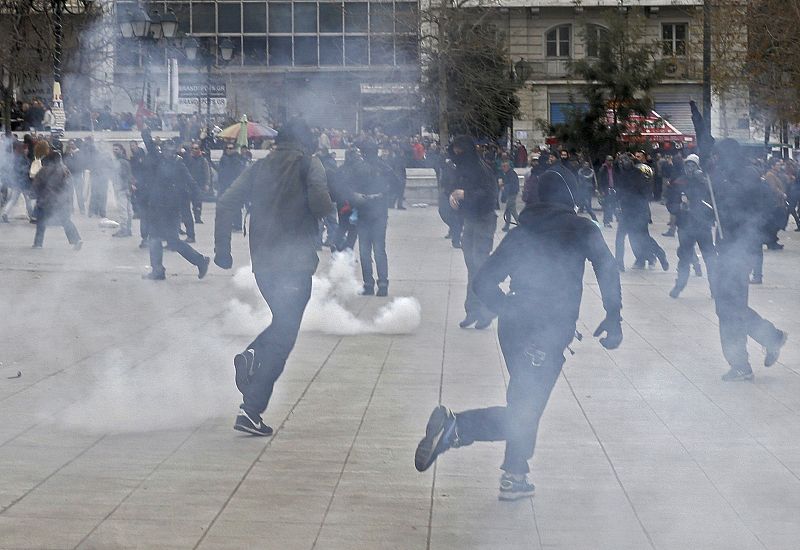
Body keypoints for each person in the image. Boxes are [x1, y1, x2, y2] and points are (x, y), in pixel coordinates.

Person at [414, 171, 623, 500]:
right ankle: (458, 429)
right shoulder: (582, 228)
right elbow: (607, 269)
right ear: (568, 195)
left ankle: (514, 475)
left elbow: (483, 281)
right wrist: (614, 314)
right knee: (525, 409)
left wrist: (507, 308)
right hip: (549, 331)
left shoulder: (520, 233)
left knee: (524, 402)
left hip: (513, 328)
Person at [214, 117, 333, 436]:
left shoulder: (259, 167)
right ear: (305, 141)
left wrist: (222, 249)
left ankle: (252, 367)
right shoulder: (310, 164)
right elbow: (321, 203)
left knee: (282, 325)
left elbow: (226, 202)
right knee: (285, 333)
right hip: (295, 262)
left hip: (264, 262)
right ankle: (251, 408)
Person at [709, 139, 788, 381]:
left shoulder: (746, 178)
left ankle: (742, 362)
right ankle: (768, 338)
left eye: (719, 156)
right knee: (729, 307)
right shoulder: (731, 176)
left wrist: (752, 236)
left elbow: (757, 210)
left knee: (728, 308)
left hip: (739, 250)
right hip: (730, 249)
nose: (716, 160)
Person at [140, 130, 209, 280]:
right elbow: (150, 147)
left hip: (171, 208)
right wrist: (145, 132)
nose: (167, 152)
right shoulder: (158, 160)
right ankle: (158, 269)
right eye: (165, 149)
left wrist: (198, 197)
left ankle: (200, 261)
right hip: (157, 206)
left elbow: (190, 182)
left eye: (170, 150)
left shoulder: (179, 164)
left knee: (172, 241)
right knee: (155, 238)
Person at [449, 135, 498, 330]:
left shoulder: (482, 168)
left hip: (484, 219)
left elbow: (489, 194)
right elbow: (455, 187)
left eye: (460, 151)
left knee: (480, 265)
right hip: (470, 219)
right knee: (472, 265)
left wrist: (465, 194)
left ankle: (488, 308)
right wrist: (453, 196)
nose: (457, 154)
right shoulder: (463, 168)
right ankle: (473, 310)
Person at [347, 139, 398, 296]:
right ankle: (380, 284)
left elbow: (347, 187)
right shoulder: (383, 167)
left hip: (369, 211)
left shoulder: (366, 167)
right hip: (374, 211)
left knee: (367, 250)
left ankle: (369, 284)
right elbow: (397, 183)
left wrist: (357, 196)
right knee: (376, 249)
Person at [667, 154, 716, 298]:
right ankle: (679, 285)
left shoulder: (704, 181)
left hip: (702, 225)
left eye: (693, 165)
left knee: (710, 257)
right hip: (685, 225)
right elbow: (671, 203)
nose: (690, 168)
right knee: (684, 257)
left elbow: (713, 200)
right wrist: (679, 207)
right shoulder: (679, 182)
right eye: (687, 165)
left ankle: (715, 288)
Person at [31, 151, 82, 249]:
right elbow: (70, 186)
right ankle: (76, 240)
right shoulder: (65, 170)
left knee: (41, 222)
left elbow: (36, 184)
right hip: (61, 201)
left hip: (46, 200)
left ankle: (38, 243)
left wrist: (34, 195)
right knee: (65, 221)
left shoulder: (44, 170)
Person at [111, 143, 134, 238]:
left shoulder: (122, 162)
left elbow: (125, 176)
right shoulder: (122, 161)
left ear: (121, 150)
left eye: (116, 149)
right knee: (128, 210)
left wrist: (124, 188)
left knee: (123, 210)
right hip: (124, 188)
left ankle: (124, 229)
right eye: (113, 149)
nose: (114, 151)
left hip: (122, 189)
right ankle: (128, 229)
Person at [185, 142, 211, 225]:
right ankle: (185, 218)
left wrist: (207, 183)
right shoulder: (188, 159)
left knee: (198, 203)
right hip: (189, 184)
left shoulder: (203, 160)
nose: (194, 150)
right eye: (193, 148)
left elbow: (207, 173)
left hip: (199, 184)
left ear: (199, 149)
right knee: (186, 202)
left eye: (196, 148)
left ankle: (197, 217)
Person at [498, 159, 520, 232]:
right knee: (509, 210)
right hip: (511, 193)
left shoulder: (511, 174)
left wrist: (503, 187)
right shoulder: (508, 174)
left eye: (503, 167)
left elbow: (511, 185)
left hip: (512, 193)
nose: (502, 169)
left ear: (507, 167)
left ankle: (519, 224)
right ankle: (508, 225)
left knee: (511, 210)